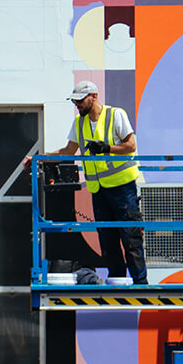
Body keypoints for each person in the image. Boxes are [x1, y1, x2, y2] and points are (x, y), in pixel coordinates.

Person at [48, 80, 147, 285]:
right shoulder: (79, 123)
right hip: (99, 190)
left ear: (93, 96)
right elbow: (68, 152)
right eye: (75, 102)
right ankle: (118, 280)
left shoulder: (115, 115)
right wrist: (39, 158)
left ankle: (140, 282)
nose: (77, 105)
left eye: (80, 101)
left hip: (122, 187)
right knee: (107, 239)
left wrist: (107, 148)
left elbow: (130, 145)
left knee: (130, 236)